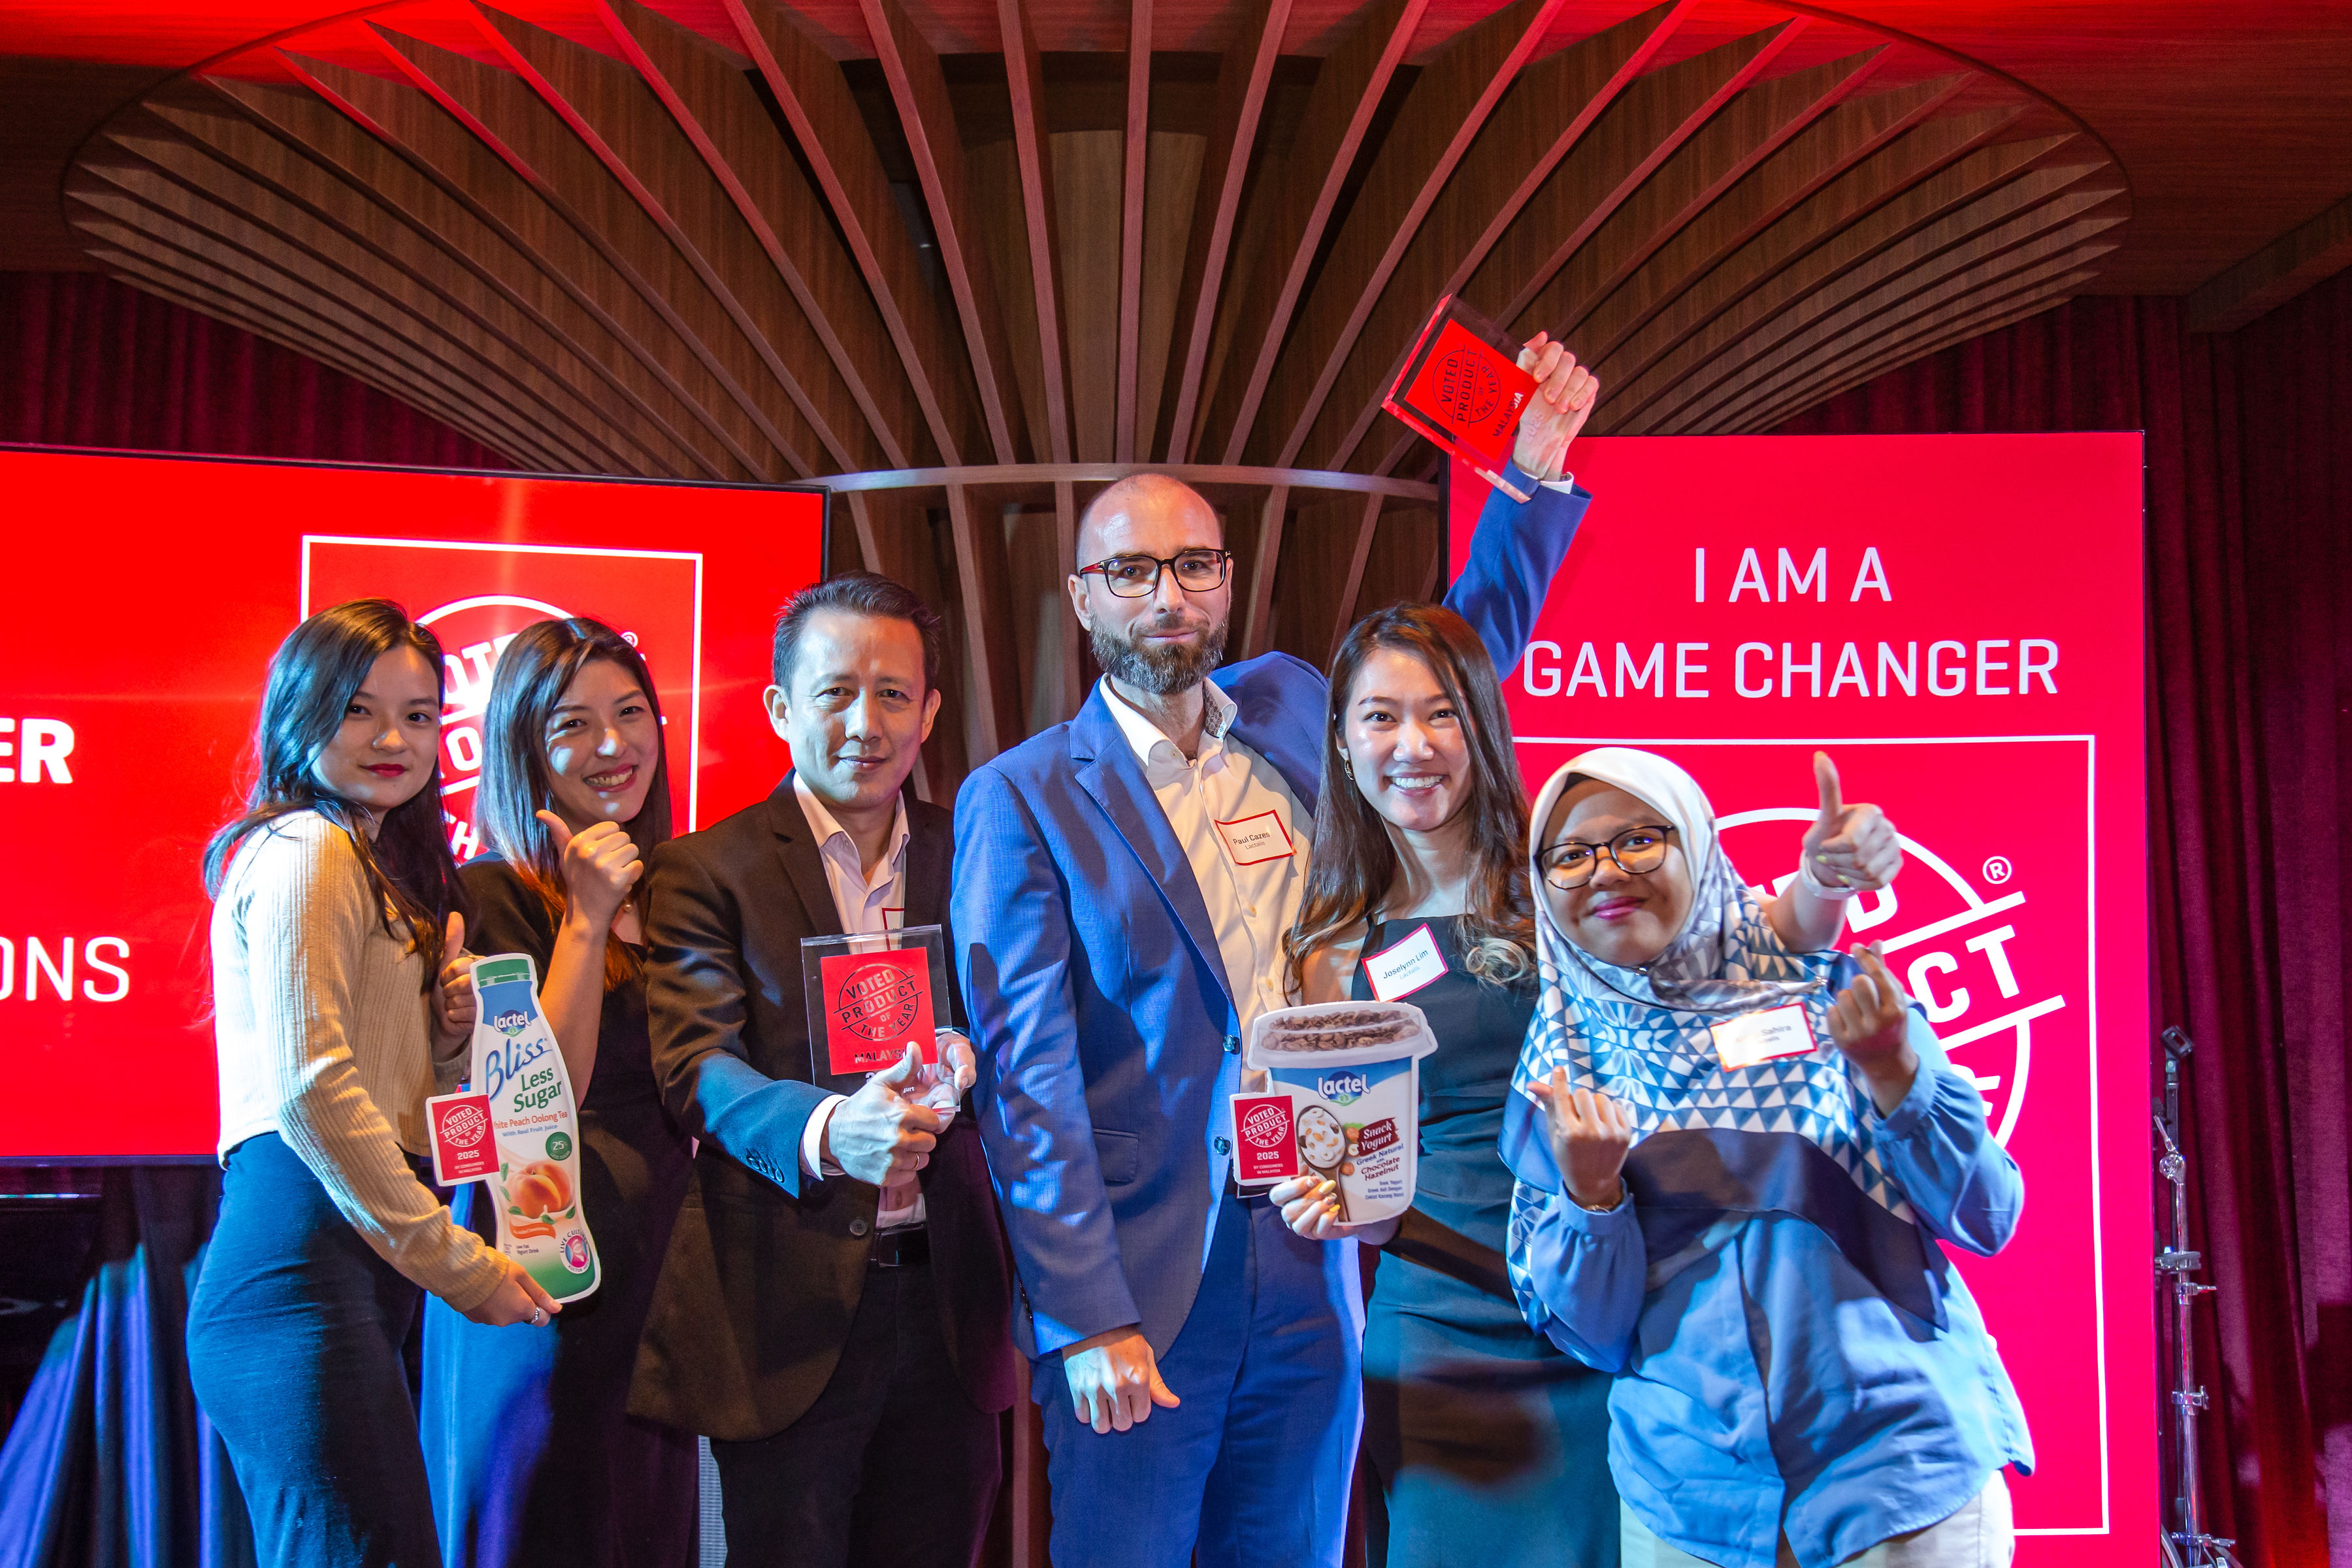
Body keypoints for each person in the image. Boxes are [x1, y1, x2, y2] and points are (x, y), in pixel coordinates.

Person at [953, 339, 1600, 1568]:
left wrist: (1529, 483)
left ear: (1227, 581)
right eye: (1132, 571)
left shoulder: (1296, 705)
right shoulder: (1024, 795)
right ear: (1084, 596)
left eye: (1193, 565)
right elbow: (1029, 1084)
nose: (1167, 596)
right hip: (1149, 1273)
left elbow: (1455, 669)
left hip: (1316, 1240)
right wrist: (1084, 1314)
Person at [1503, 747, 2033, 1568]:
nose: (1605, 872)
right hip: (1690, 1503)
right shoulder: (1559, 1067)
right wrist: (1592, 1195)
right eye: (1570, 856)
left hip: (1895, 1477)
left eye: (1640, 840)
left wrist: (1895, 1072)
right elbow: (1591, 1336)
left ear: (1697, 845)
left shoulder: (1823, 991)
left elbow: (1987, 1216)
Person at [627, 572, 1015, 1567]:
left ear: (930, 711)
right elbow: (697, 1067)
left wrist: (976, 1058)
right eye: (836, 692)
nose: (865, 724)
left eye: (893, 694)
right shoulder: (706, 869)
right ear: (780, 707)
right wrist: (831, 1132)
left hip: (951, 1305)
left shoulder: (976, 849)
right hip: (786, 1311)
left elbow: (1029, 1025)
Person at [188, 598, 558, 1567]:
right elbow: (312, 1090)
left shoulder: (367, 861)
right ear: (300, 712)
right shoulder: (309, 848)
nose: (394, 739)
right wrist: (462, 1266)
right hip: (298, 1266)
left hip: (340, 1266)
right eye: (359, 710)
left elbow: (397, 1104)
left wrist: (445, 1038)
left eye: (419, 715)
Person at [1265, 603, 1617, 1567]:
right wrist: (1336, 1205)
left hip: (1591, 1307)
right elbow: (1364, 1190)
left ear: (1482, 730)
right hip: (1433, 1331)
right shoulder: (1331, 946)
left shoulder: (1564, 892)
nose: (1412, 746)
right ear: (1343, 746)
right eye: (1380, 717)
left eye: (1441, 713)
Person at [420, 618, 698, 1568]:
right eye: (574, 725)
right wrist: (585, 918)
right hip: (542, 1283)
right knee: (541, 1526)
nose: (615, 745)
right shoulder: (487, 894)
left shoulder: (677, 890)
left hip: (656, 1286)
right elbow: (541, 1101)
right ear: (522, 747)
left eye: (632, 714)